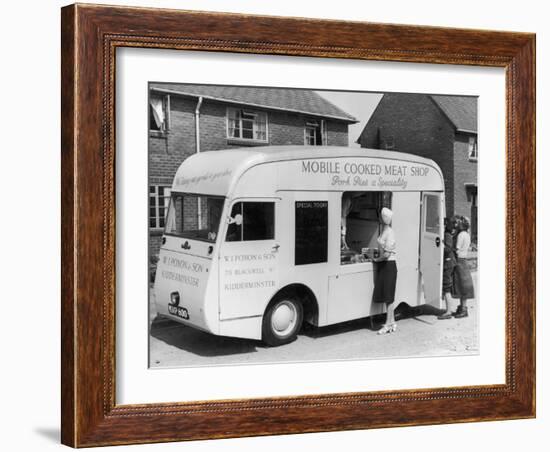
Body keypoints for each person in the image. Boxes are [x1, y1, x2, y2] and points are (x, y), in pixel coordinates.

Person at [372, 207, 398, 334]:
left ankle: (388, 324)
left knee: (389, 296)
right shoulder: (385, 231)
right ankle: (392, 322)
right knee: (387, 295)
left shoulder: (390, 232)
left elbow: (387, 254)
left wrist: (377, 260)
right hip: (385, 265)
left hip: (389, 265)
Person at [452, 216, 475, 318]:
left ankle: (464, 309)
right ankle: (462, 307)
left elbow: (457, 249)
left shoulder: (461, 235)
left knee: (461, 285)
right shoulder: (467, 234)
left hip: (459, 261)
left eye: (458, 223)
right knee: (463, 285)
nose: (456, 224)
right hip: (464, 260)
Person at [438, 218, 457, 319]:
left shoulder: (447, 235)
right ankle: (449, 309)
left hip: (448, 263)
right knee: (447, 287)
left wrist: (440, 245)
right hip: (450, 262)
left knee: (446, 287)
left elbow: (448, 248)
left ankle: (448, 311)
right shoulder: (449, 235)